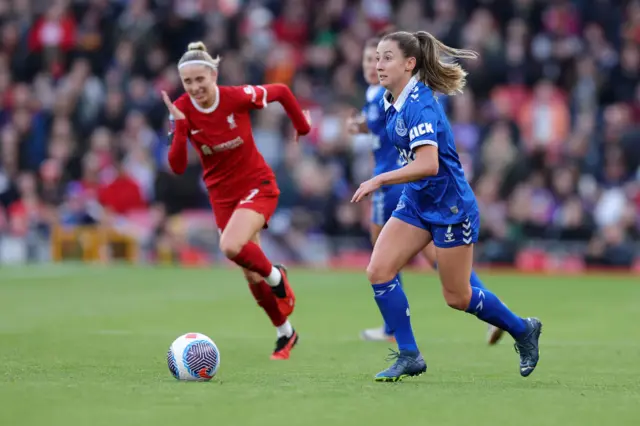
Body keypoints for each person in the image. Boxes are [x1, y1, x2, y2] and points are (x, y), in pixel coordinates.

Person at [351, 31, 542, 382]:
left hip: (450, 208)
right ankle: (409, 355)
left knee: (457, 296)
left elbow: (428, 164)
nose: (378, 64)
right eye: (376, 57)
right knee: (378, 271)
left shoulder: (420, 103)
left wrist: (380, 179)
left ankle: (522, 328)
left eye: (386, 57)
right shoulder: (390, 101)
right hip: (417, 202)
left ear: (409, 64)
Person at [347, 35, 503, 345]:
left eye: (378, 58)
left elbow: (425, 156)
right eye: (370, 59)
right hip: (410, 188)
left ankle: (393, 327)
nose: (373, 66)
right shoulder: (381, 96)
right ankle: (489, 311)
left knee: (385, 255)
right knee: (427, 259)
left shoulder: (395, 97)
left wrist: (376, 171)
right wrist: (361, 126)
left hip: (398, 183)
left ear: (406, 63)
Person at [162, 41, 312, 360]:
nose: (195, 87)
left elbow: (282, 92)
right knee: (249, 273)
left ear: (213, 75)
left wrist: (302, 126)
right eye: (188, 82)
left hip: (257, 185)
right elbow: (176, 166)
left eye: (200, 79)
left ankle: (278, 277)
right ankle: (285, 332)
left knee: (231, 246)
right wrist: (179, 127)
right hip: (222, 198)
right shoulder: (182, 109)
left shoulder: (235, 97)